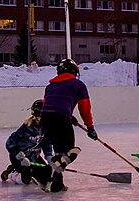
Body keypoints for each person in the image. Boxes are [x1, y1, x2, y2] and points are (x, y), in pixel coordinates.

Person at [41, 58, 98, 192]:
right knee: (70, 152)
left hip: (46, 118)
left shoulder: (50, 86)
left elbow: (48, 105)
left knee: (59, 151)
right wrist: (90, 127)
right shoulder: (78, 85)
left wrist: (68, 115)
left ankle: (57, 182)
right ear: (74, 71)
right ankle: (56, 164)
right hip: (61, 117)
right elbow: (85, 108)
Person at [1, 99, 54, 186]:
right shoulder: (26, 128)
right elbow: (9, 143)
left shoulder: (45, 127)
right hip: (19, 158)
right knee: (26, 180)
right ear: (36, 115)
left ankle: (31, 172)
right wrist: (20, 157)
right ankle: (11, 172)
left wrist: (49, 156)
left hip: (34, 157)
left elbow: (46, 143)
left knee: (46, 177)